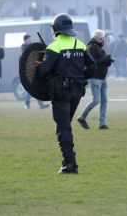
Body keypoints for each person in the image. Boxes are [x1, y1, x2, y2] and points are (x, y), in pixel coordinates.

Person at [39, 13, 95, 174]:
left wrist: (41, 62)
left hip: (61, 93)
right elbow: (93, 68)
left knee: (63, 128)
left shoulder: (53, 47)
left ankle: (70, 165)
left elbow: (43, 72)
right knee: (66, 126)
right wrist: (80, 76)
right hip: (77, 92)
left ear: (56, 29)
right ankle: (68, 162)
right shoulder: (80, 45)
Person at [77, 29, 113, 129]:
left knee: (104, 100)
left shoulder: (99, 48)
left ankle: (102, 123)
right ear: (100, 39)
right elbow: (91, 62)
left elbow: (100, 61)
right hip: (95, 78)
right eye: (102, 38)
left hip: (103, 78)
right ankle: (82, 117)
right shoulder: (91, 47)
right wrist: (104, 60)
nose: (103, 40)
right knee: (96, 100)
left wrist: (108, 61)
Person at [21, 35, 48, 110]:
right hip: (29, 71)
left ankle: (40, 105)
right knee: (32, 88)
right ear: (25, 40)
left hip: (34, 69)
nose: (30, 40)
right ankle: (27, 104)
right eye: (29, 39)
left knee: (35, 87)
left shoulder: (30, 46)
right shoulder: (24, 47)